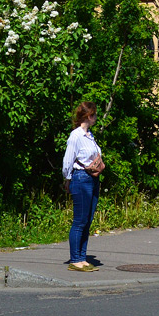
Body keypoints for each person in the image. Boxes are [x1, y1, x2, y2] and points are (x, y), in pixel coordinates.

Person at [61, 101, 103, 272]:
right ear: (87, 116)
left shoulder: (89, 136)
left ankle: (82, 257)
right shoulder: (76, 136)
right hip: (80, 178)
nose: (95, 118)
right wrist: (67, 179)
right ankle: (75, 259)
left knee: (88, 219)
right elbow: (68, 160)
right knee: (80, 220)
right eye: (93, 115)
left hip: (92, 179)